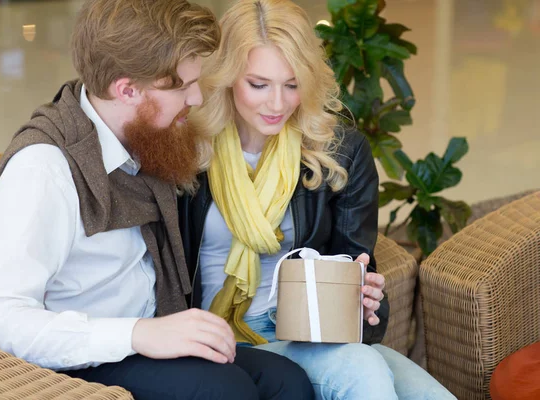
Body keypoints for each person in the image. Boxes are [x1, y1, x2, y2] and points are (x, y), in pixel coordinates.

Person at [0, 0, 315, 399]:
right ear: (128, 89)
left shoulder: (144, 137)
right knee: (223, 390)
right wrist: (136, 334)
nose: (197, 98)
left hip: (152, 334)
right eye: (184, 86)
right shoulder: (44, 169)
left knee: (288, 382)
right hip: (83, 357)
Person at [178, 0, 457, 399]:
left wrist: (363, 302)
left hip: (308, 332)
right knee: (363, 371)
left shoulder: (339, 151)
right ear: (225, 77)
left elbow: (357, 279)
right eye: (258, 84)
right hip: (218, 335)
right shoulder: (185, 149)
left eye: (292, 85)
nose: (277, 104)